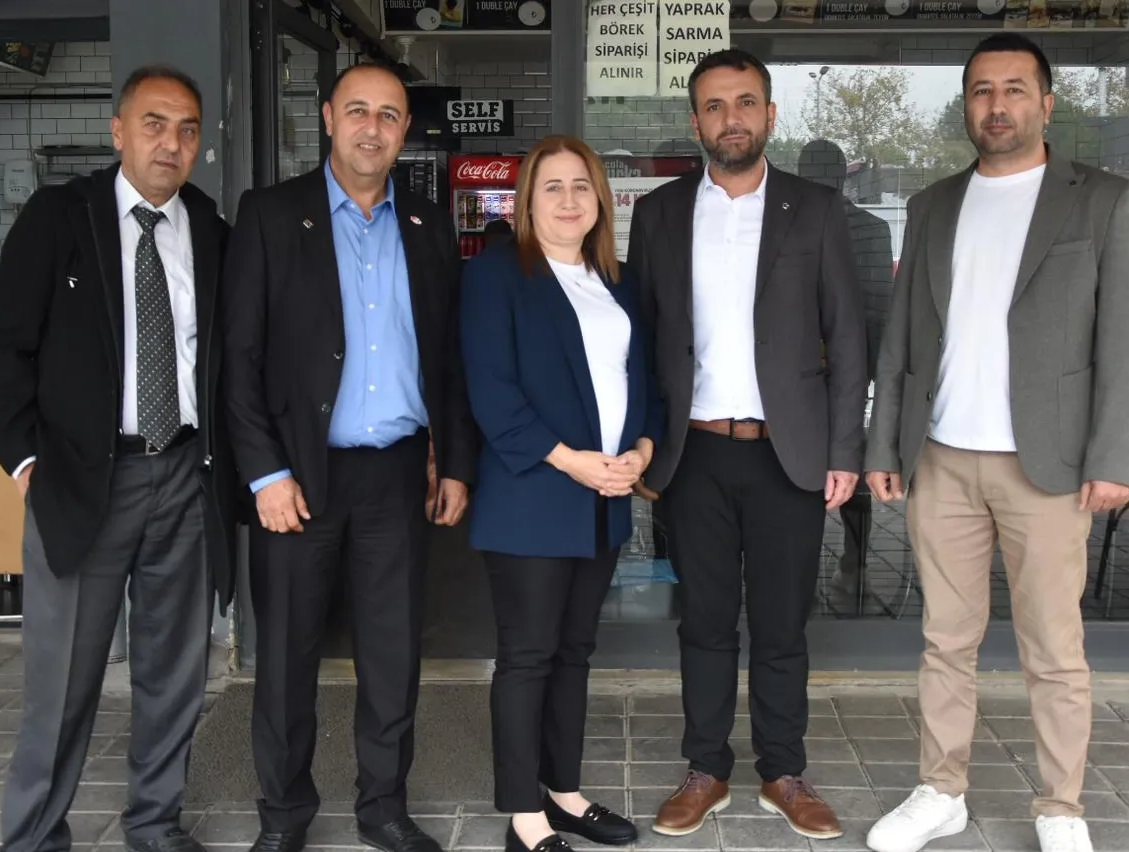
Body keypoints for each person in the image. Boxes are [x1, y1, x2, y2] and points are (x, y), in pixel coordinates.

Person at [863, 34, 1129, 852]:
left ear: (1045, 104)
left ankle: (1060, 807)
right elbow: (901, 339)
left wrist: (1110, 458)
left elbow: (1123, 340)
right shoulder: (932, 204)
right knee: (943, 640)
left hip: (1048, 466)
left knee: (1053, 649)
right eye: (981, 90)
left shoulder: (1100, 199)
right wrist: (883, 445)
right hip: (941, 458)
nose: (996, 105)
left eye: (1014, 89)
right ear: (966, 105)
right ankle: (940, 791)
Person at [0, 65, 238, 852]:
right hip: (82, 480)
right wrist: (24, 460)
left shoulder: (209, 228)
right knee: (62, 678)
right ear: (118, 130)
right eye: (154, 124)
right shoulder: (60, 217)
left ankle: (154, 824)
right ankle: (33, 835)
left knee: (174, 673)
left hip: (183, 474)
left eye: (187, 130)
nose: (171, 143)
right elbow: (3, 343)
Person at [222, 61, 478, 852]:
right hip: (297, 476)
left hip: (396, 474)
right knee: (285, 660)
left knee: (392, 655)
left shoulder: (427, 222)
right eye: (358, 110)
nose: (373, 127)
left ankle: (383, 809)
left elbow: (447, 357)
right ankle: (283, 818)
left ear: (406, 131)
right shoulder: (270, 214)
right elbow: (238, 357)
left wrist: (453, 460)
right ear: (329, 117)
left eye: (389, 115)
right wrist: (264, 473)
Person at [625, 49, 867, 842]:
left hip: (785, 454)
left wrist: (843, 449)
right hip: (692, 454)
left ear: (769, 114)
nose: (731, 119)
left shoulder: (815, 209)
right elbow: (641, 339)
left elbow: (847, 337)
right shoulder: (659, 213)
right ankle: (705, 769)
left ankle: (782, 772)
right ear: (694, 121)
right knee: (703, 622)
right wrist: (642, 444)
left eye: (745, 102)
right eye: (714, 105)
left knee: (780, 625)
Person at [460, 134, 664, 852]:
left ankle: (563, 791)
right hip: (531, 498)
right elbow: (492, 392)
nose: (569, 199)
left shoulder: (617, 280)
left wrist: (640, 451)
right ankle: (524, 815)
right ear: (527, 201)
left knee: (574, 652)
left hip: (603, 500)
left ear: (600, 200)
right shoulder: (496, 276)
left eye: (582, 186)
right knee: (528, 657)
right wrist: (574, 462)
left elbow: (644, 382)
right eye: (553, 186)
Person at [796, 139, 896, 607]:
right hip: (846, 373)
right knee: (847, 464)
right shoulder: (872, 229)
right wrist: (870, 372)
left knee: (807, 472)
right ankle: (853, 568)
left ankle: (819, 573)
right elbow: (879, 307)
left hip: (804, 375)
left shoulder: (792, 226)